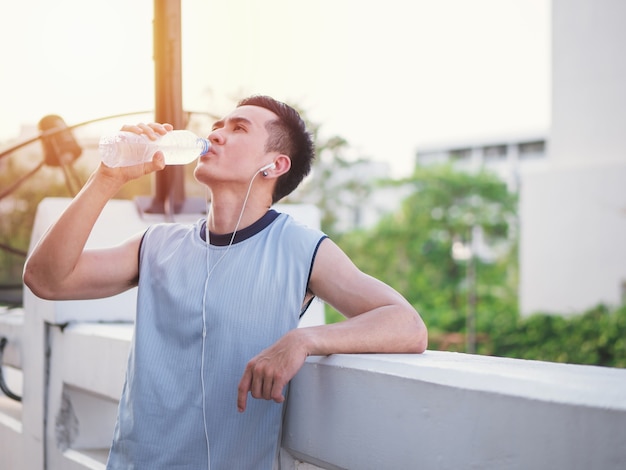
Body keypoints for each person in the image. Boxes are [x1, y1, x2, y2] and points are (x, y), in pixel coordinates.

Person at [23, 95, 427, 469]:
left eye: (238, 129)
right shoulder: (157, 244)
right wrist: (107, 178)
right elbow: (46, 279)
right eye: (218, 125)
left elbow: (406, 325)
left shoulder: (299, 247)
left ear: (275, 165)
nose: (215, 133)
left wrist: (303, 340)